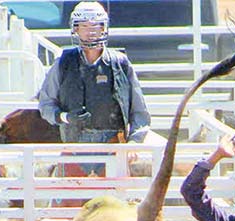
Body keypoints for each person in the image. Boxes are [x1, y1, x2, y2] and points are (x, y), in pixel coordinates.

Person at [37, 1, 150, 176]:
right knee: (67, 200)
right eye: (84, 26)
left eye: (95, 26)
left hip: (114, 146)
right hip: (74, 147)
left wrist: (134, 143)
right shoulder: (63, 62)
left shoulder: (120, 63)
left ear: (104, 28)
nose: (90, 31)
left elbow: (139, 111)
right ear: (76, 29)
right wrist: (65, 117)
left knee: (115, 202)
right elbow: (45, 104)